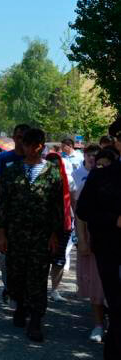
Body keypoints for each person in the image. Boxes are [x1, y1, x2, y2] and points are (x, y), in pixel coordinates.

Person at [0, 128, 67, 342]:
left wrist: (55, 234)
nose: (32, 149)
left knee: (37, 277)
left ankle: (36, 320)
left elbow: (57, 206)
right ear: (23, 146)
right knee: (16, 274)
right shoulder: (12, 170)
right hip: (16, 234)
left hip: (41, 235)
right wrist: (1, 233)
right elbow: (4, 205)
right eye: (28, 144)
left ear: (41, 146)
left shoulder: (52, 171)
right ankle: (20, 307)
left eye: (36, 145)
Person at [77, 118, 121, 360]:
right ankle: (114, 354)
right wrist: (113, 218)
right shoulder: (102, 175)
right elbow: (84, 210)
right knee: (117, 302)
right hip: (112, 247)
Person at [0, 123, 31, 304]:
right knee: (6, 259)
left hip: (32, 221)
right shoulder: (4, 159)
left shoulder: (38, 160)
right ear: (14, 138)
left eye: (25, 137)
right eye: (18, 136)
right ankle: (10, 288)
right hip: (8, 218)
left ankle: (24, 296)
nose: (21, 140)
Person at [72, 144, 105, 342]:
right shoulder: (85, 181)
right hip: (94, 240)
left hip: (111, 241)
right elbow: (80, 215)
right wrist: (81, 240)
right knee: (96, 283)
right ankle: (98, 324)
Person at [44, 152, 74, 303]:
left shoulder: (68, 179)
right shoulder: (41, 179)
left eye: (56, 163)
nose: (53, 167)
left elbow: (73, 202)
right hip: (43, 226)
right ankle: (40, 289)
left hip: (64, 225)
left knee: (59, 260)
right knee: (42, 259)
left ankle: (54, 290)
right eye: (50, 163)